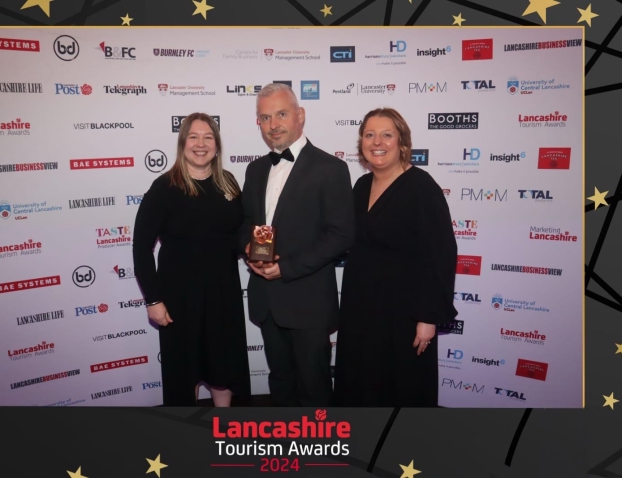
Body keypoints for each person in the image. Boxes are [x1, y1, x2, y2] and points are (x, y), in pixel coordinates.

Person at [333, 108, 458, 407]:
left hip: (404, 314)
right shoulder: (361, 186)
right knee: (361, 382)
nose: (378, 141)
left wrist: (427, 318)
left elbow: (441, 255)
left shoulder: (421, 188)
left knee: (401, 387)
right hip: (361, 308)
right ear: (361, 142)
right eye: (369, 134)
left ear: (402, 142)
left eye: (387, 134)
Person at [241, 83, 354, 407]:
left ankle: (321, 453)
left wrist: (286, 268)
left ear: (300, 116)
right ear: (258, 123)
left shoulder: (330, 168)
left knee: (314, 387)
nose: (273, 124)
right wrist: (250, 250)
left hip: (308, 304)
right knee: (281, 383)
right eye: (265, 117)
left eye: (281, 114)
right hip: (267, 301)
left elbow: (341, 234)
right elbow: (247, 223)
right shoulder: (255, 169)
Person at [132, 112, 250, 407]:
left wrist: (254, 249)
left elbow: (239, 234)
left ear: (217, 144)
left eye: (208, 137)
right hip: (178, 299)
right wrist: (153, 300)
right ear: (182, 143)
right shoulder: (164, 188)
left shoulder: (229, 184)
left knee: (223, 365)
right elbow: (141, 248)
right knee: (184, 372)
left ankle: (223, 430)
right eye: (193, 137)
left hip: (223, 294)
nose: (201, 144)